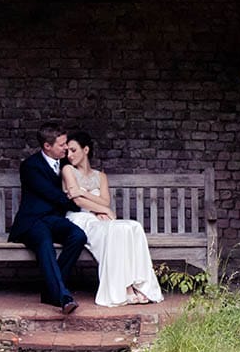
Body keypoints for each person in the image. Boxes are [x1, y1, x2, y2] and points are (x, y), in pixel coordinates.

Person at [61, 131, 164, 307]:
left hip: (99, 216)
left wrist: (88, 196)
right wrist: (104, 210)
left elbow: (105, 200)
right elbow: (77, 201)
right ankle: (124, 289)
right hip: (80, 218)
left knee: (132, 227)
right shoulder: (67, 170)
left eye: (73, 150)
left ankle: (138, 284)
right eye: (67, 151)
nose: (69, 155)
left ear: (85, 150)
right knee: (115, 229)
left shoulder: (100, 176)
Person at [9, 123, 88, 314]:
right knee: (44, 243)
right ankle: (63, 297)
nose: (66, 148)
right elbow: (52, 194)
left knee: (78, 236)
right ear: (47, 146)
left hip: (53, 220)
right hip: (32, 221)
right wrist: (77, 203)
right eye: (61, 145)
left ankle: (49, 290)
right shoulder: (30, 166)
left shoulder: (66, 165)